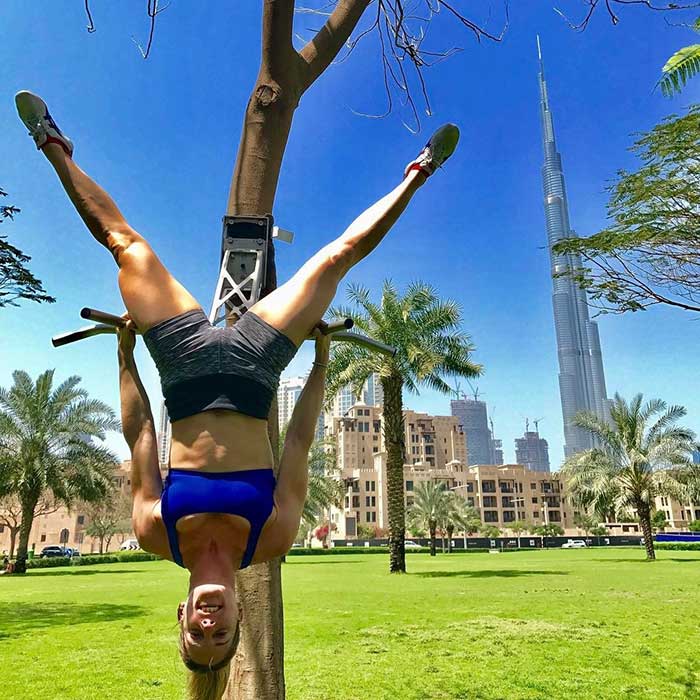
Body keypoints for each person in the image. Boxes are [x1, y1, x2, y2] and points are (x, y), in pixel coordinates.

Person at [15, 91, 459, 698]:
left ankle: (52, 145)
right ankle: (419, 172)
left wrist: (125, 353)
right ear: (237, 619)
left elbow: (140, 434)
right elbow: (299, 443)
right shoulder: (269, 538)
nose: (209, 624)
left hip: (184, 366)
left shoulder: (155, 533)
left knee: (126, 245)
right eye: (220, 635)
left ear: (181, 617)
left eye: (196, 634)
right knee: (337, 258)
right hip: (255, 366)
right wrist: (321, 357)